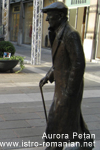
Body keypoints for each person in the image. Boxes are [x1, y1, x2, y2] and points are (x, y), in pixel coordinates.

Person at [39, 2, 94, 150]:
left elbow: (78, 64)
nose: (47, 20)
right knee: (72, 115)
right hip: (62, 84)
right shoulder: (58, 32)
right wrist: (49, 75)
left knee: (57, 117)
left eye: (50, 17)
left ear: (60, 16)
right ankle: (86, 140)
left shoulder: (71, 34)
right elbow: (60, 61)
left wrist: (70, 90)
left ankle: (54, 147)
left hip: (69, 85)